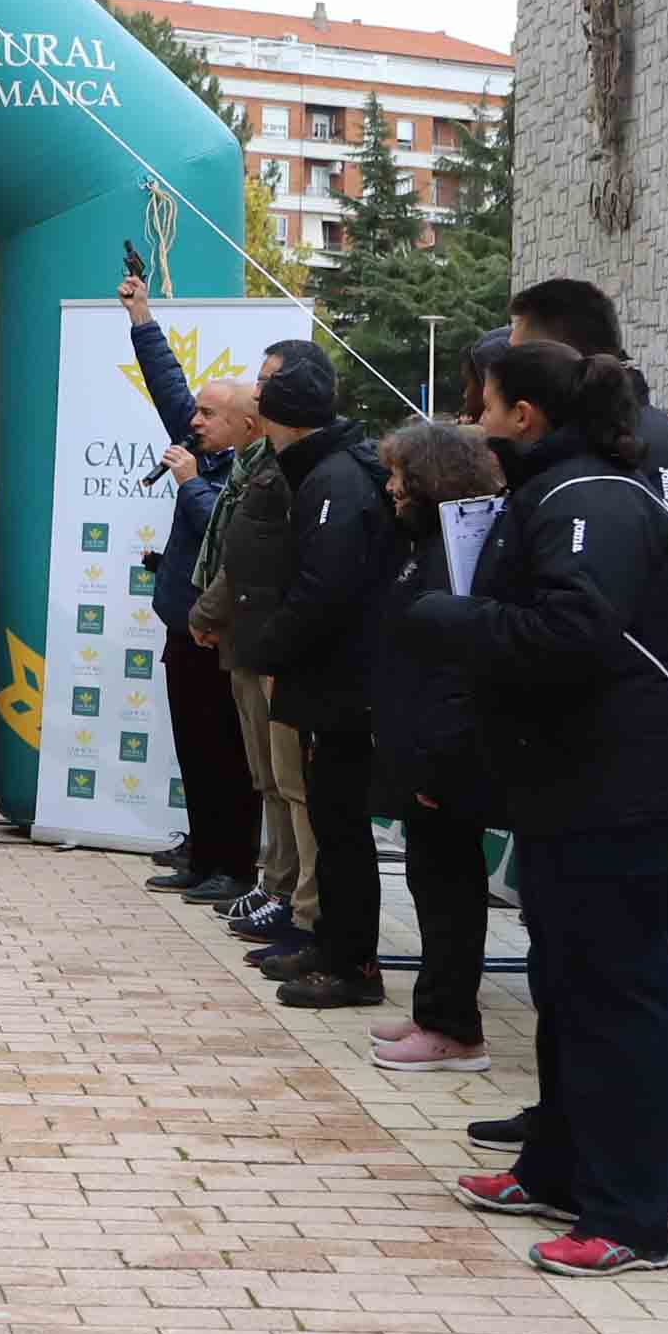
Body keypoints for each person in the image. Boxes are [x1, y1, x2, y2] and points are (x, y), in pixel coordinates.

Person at [402, 341, 668, 1277]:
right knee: (567, 991)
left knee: (619, 1001)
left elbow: (573, 631)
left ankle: (629, 1217)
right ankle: (559, 1167)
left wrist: (452, 621)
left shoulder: (592, 500)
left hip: (614, 789)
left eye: (478, 404)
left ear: (522, 415)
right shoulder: (558, 492)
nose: (470, 421)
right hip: (565, 785)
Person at [246, 342, 393, 1010]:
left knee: (341, 825)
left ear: (285, 417)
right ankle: (331, 941)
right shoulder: (327, 469)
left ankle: (353, 961)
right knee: (332, 826)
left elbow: (323, 589)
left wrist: (269, 651)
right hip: (329, 680)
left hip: (344, 686)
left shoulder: (335, 478)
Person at [366, 420, 503, 1073]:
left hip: (444, 754)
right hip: (419, 741)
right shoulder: (425, 542)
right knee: (430, 880)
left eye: (399, 477)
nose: (389, 488)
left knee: (449, 888)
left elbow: (454, 665)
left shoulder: (456, 550)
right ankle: (435, 1009)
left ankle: (454, 1025)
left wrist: (440, 760)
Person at [123, 273, 256, 900]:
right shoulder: (204, 447)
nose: (193, 420)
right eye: (197, 412)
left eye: (207, 414)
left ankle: (234, 864)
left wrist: (188, 484)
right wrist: (142, 316)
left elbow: (227, 542)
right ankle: (202, 851)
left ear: (244, 425)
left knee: (226, 752)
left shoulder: (246, 473)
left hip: (221, 632)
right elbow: (169, 385)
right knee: (193, 747)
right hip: (183, 620)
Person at [188, 372, 318, 960]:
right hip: (245, 640)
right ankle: (275, 882)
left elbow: (250, 563)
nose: (197, 423)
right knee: (267, 776)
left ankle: (293, 896)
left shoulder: (282, 477)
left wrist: (210, 606)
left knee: (290, 783)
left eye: (265, 394)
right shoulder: (251, 472)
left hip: (269, 644)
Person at [507, 278, 668, 524]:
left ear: (558, 357)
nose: (509, 374)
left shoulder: (653, 442)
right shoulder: (576, 438)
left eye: (518, 360)